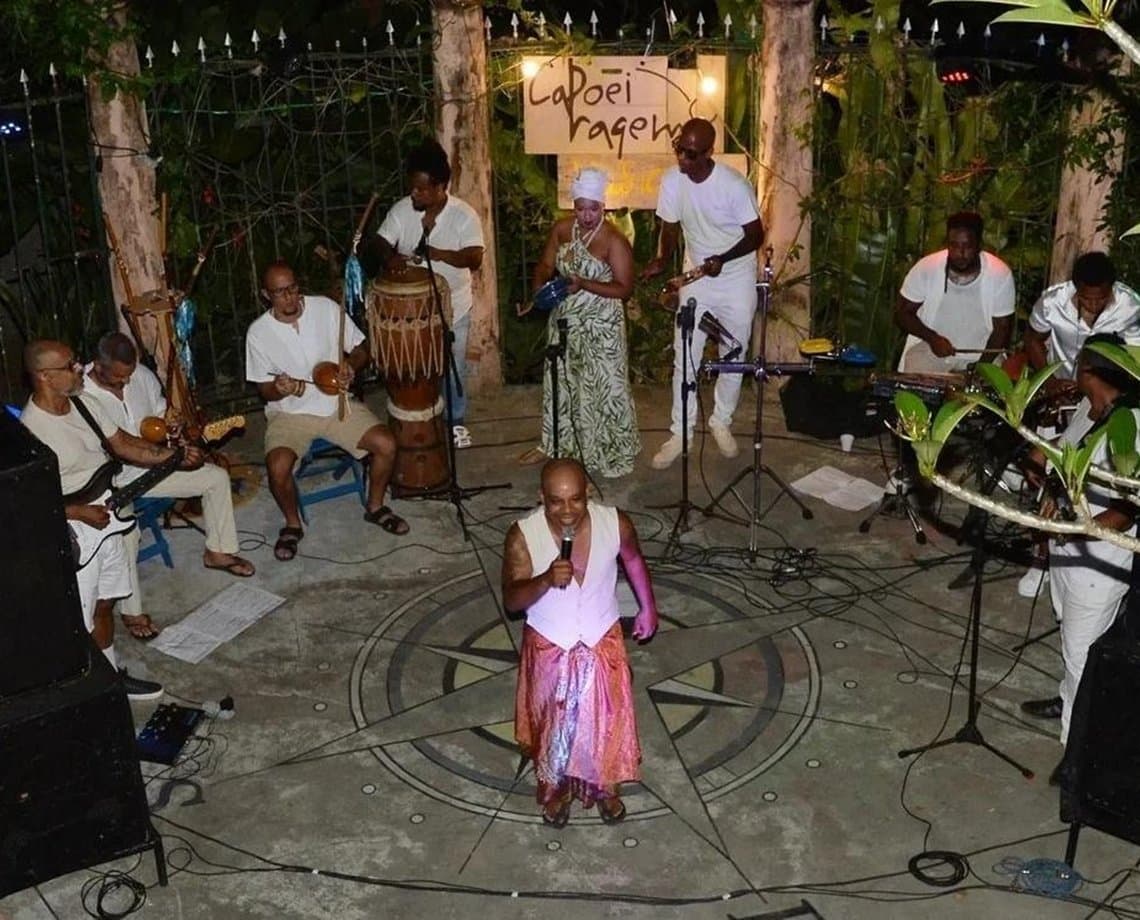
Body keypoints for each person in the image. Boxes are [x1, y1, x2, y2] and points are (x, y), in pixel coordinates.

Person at [20, 340, 205, 700]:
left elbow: (122, 444)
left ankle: (110, 678)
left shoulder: (83, 404)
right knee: (81, 618)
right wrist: (76, 512)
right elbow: (28, 501)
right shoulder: (31, 431)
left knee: (105, 602)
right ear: (44, 376)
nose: (79, 370)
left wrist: (175, 456)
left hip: (108, 516)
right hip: (76, 530)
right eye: (70, 366)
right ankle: (89, 692)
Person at [504, 458, 659, 827]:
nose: (567, 511)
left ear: (587, 493)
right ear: (542, 498)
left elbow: (634, 561)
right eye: (556, 502)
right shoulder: (523, 535)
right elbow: (511, 600)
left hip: (601, 639)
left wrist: (648, 608)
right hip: (549, 646)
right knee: (555, 727)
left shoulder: (615, 523)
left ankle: (605, 787)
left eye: (575, 499)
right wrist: (543, 580)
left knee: (604, 721)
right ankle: (557, 790)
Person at [1017, 334, 1140, 781]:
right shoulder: (1091, 411)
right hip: (1067, 551)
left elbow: (1127, 510)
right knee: (1070, 642)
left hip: (1099, 563)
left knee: (1083, 657)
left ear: (1090, 371)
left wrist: (1071, 522)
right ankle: (1068, 698)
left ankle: (1077, 758)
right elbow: (1058, 462)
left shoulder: (1131, 425)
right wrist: (1047, 486)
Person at [83, 332, 255, 639]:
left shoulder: (142, 375)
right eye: (117, 378)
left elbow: (161, 413)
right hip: (109, 480)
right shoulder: (80, 394)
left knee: (215, 477)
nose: (125, 383)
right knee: (126, 533)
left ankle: (218, 551)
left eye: (129, 376)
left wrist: (171, 425)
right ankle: (132, 612)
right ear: (97, 365)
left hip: (154, 466)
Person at [245, 260, 407, 561]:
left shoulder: (325, 309)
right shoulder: (258, 333)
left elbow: (363, 347)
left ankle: (375, 507)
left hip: (336, 404)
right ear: (267, 295)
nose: (289, 297)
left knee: (386, 443)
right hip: (289, 415)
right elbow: (263, 390)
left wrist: (351, 366)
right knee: (277, 468)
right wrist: (278, 387)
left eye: (293, 288)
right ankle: (293, 525)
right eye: (280, 293)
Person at [642, 117, 764, 469]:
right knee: (686, 351)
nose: (682, 158)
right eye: (679, 149)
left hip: (736, 275)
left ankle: (721, 421)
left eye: (691, 154)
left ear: (709, 152)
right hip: (696, 275)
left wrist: (723, 259)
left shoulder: (733, 186)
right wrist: (662, 259)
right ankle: (681, 432)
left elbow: (756, 235)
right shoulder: (672, 181)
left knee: (734, 352)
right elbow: (669, 225)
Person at [525, 167, 640, 478]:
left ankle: (605, 451)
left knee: (603, 388)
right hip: (564, 320)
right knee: (561, 382)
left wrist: (584, 284)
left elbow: (624, 288)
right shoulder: (563, 230)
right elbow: (546, 264)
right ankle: (554, 445)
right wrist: (539, 290)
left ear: (602, 206)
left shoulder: (614, 240)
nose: (586, 215)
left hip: (602, 327)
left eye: (593, 208)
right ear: (573, 206)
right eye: (580, 208)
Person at [377, 138, 485, 447]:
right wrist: (390, 257)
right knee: (416, 366)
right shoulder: (402, 210)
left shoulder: (464, 215)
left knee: (453, 368)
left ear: (441, 187)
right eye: (413, 187)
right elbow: (381, 242)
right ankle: (415, 415)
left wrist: (438, 254)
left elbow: (475, 257)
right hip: (412, 312)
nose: (415, 193)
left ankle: (455, 421)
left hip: (455, 307)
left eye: (422, 189)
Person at [894, 211, 1015, 374]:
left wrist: (979, 369)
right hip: (932, 350)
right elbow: (902, 313)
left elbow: (1002, 328)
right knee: (916, 377)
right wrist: (932, 338)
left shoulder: (999, 274)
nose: (960, 253)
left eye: (967, 246)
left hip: (982, 355)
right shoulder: (927, 267)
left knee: (995, 387)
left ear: (979, 245)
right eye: (954, 245)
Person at [1025, 251, 1140, 393]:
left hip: (1108, 395)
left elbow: (1136, 355)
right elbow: (1033, 340)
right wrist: (1050, 382)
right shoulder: (1052, 302)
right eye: (1085, 298)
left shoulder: (1131, 306)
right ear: (1076, 288)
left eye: (1102, 298)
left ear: (1112, 288)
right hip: (1061, 391)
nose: (1093, 305)